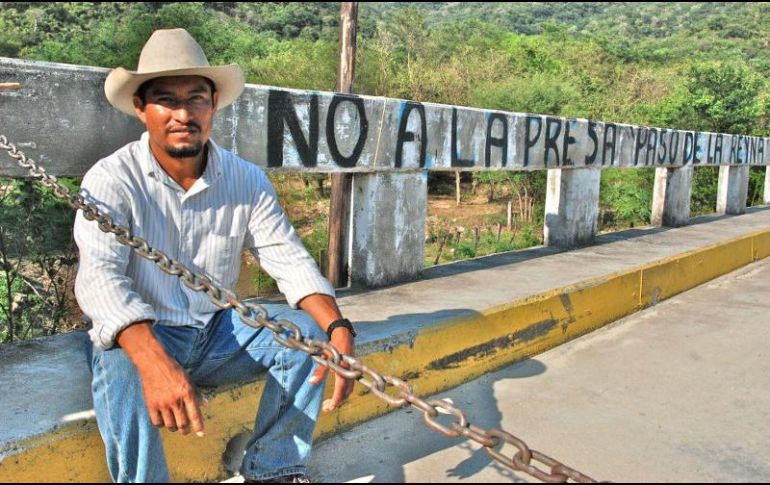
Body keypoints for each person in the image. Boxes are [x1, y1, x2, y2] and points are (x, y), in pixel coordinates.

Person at [74, 28, 356, 483]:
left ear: (214, 106)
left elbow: (289, 259)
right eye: (166, 99)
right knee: (121, 364)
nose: (183, 114)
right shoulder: (112, 179)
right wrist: (155, 361)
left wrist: (338, 328)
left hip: (217, 333)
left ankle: (275, 467)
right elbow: (99, 279)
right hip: (147, 332)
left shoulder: (245, 179)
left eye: (197, 99)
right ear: (141, 109)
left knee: (308, 335)